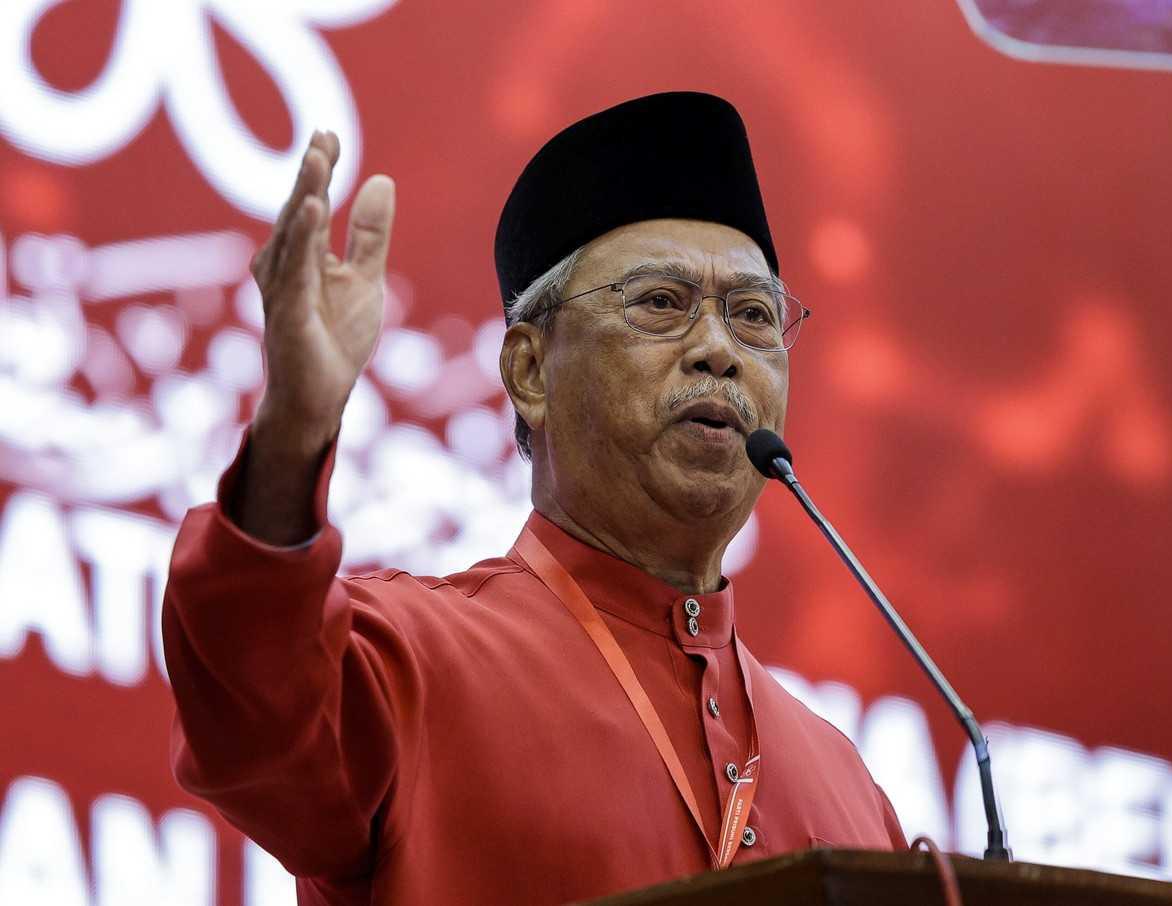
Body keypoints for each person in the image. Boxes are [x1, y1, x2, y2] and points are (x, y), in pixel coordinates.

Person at [162, 92, 906, 906]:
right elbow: (250, 710)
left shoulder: (851, 789)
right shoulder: (405, 664)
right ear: (527, 371)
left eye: (754, 316)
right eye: (661, 303)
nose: (719, 351)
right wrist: (294, 427)